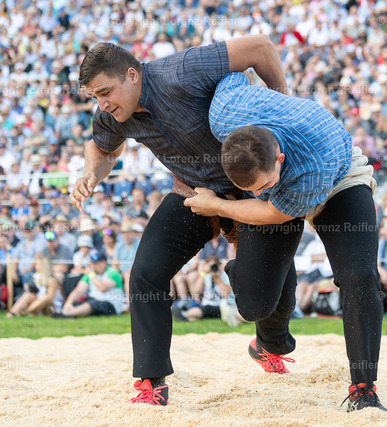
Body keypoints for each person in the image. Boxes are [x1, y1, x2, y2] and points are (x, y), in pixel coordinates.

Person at [69, 36, 293, 407]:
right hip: (193, 193)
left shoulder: (182, 71)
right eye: (95, 97)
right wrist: (91, 174)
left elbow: (259, 47)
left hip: (250, 190)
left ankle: (270, 344)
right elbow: (103, 148)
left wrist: (282, 103)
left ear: (132, 75)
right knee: (144, 274)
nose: (102, 104)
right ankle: (152, 381)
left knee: (266, 295)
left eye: (105, 92)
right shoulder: (112, 113)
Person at [184, 72, 387, 412]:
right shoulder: (225, 111)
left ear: (279, 158)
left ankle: (363, 389)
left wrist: (217, 205)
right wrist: (277, 87)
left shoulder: (310, 166)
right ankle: (268, 327)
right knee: (252, 305)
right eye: (250, 189)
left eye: (263, 186)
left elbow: (272, 213)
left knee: (359, 276)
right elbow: (243, 57)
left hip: (337, 180)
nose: (258, 193)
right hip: (284, 187)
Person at [60, 251, 125, 318]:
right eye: (92, 263)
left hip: (110, 304)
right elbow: (79, 290)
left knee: (93, 304)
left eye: (96, 263)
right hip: (93, 300)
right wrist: (69, 303)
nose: (93, 266)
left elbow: (102, 288)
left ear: (104, 263)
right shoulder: (91, 274)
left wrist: (91, 275)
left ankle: (66, 314)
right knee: (75, 303)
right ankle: (69, 312)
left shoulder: (113, 273)